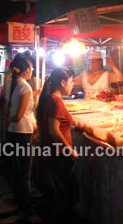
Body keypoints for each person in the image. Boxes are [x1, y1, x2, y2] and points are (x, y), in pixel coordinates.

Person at [35, 67, 79, 223]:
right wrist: (70, 150)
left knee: (61, 194)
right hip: (60, 155)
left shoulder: (49, 99)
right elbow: (53, 131)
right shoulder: (56, 101)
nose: (72, 85)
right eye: (71, 82)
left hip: (51, 153)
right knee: (69, 195)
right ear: (62, 82)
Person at [3, 55, 37, 220]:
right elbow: (18, 116)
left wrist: (8, 121)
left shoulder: (10, 84)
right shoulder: (26, 88)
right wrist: (12, 119)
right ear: (26, 70)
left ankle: (19, 200)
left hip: (12, 132)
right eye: (31, 67)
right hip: (23, 132)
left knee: (16, 169)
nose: (33, 71)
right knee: (25, 172)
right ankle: (26, 205)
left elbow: (7, 112)